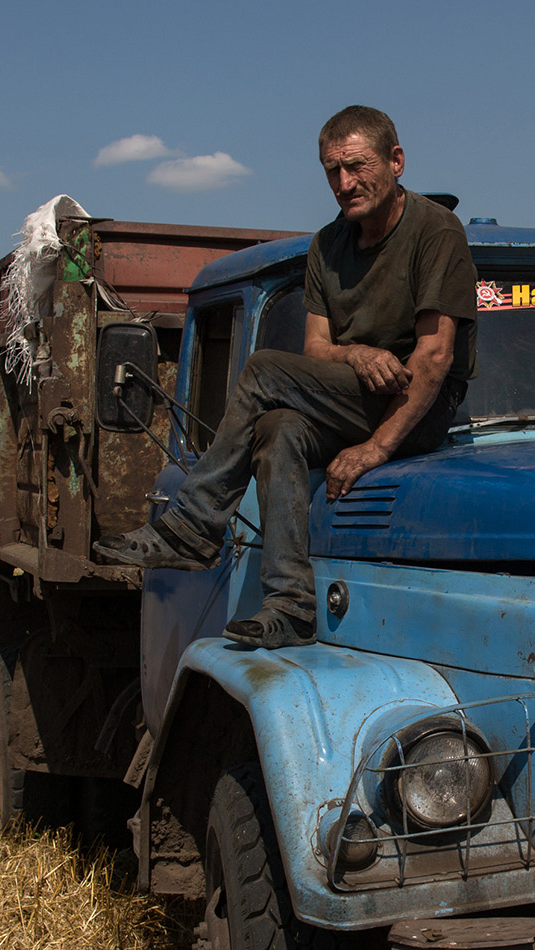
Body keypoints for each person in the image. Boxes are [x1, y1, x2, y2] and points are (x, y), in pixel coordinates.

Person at [93, 105, 476, 649]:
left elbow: (434, 357)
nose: (345, 183)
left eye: (358, 166)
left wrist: (376, 450)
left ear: (396, 161)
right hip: (357, 398)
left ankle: (195, 526)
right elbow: (317, 347)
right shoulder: (327, 245)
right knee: (277, 429)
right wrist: (357, 355)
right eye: (332, 171)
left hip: (418, 405)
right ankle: (292, 605)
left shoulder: (436, 231)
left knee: (261, 370)